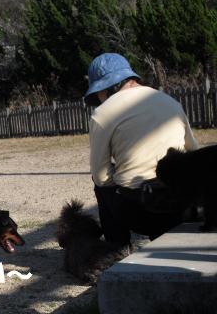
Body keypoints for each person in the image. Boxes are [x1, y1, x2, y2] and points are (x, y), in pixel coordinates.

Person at [85, 53, 199, 249]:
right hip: (179, 204)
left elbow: (101, 176)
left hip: (140, 211)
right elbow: (194, 153)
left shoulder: (102, 114)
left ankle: (117, 248)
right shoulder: (170, 102)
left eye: (98, 93)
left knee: (100, 186)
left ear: (106, 87)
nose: (98, 99)